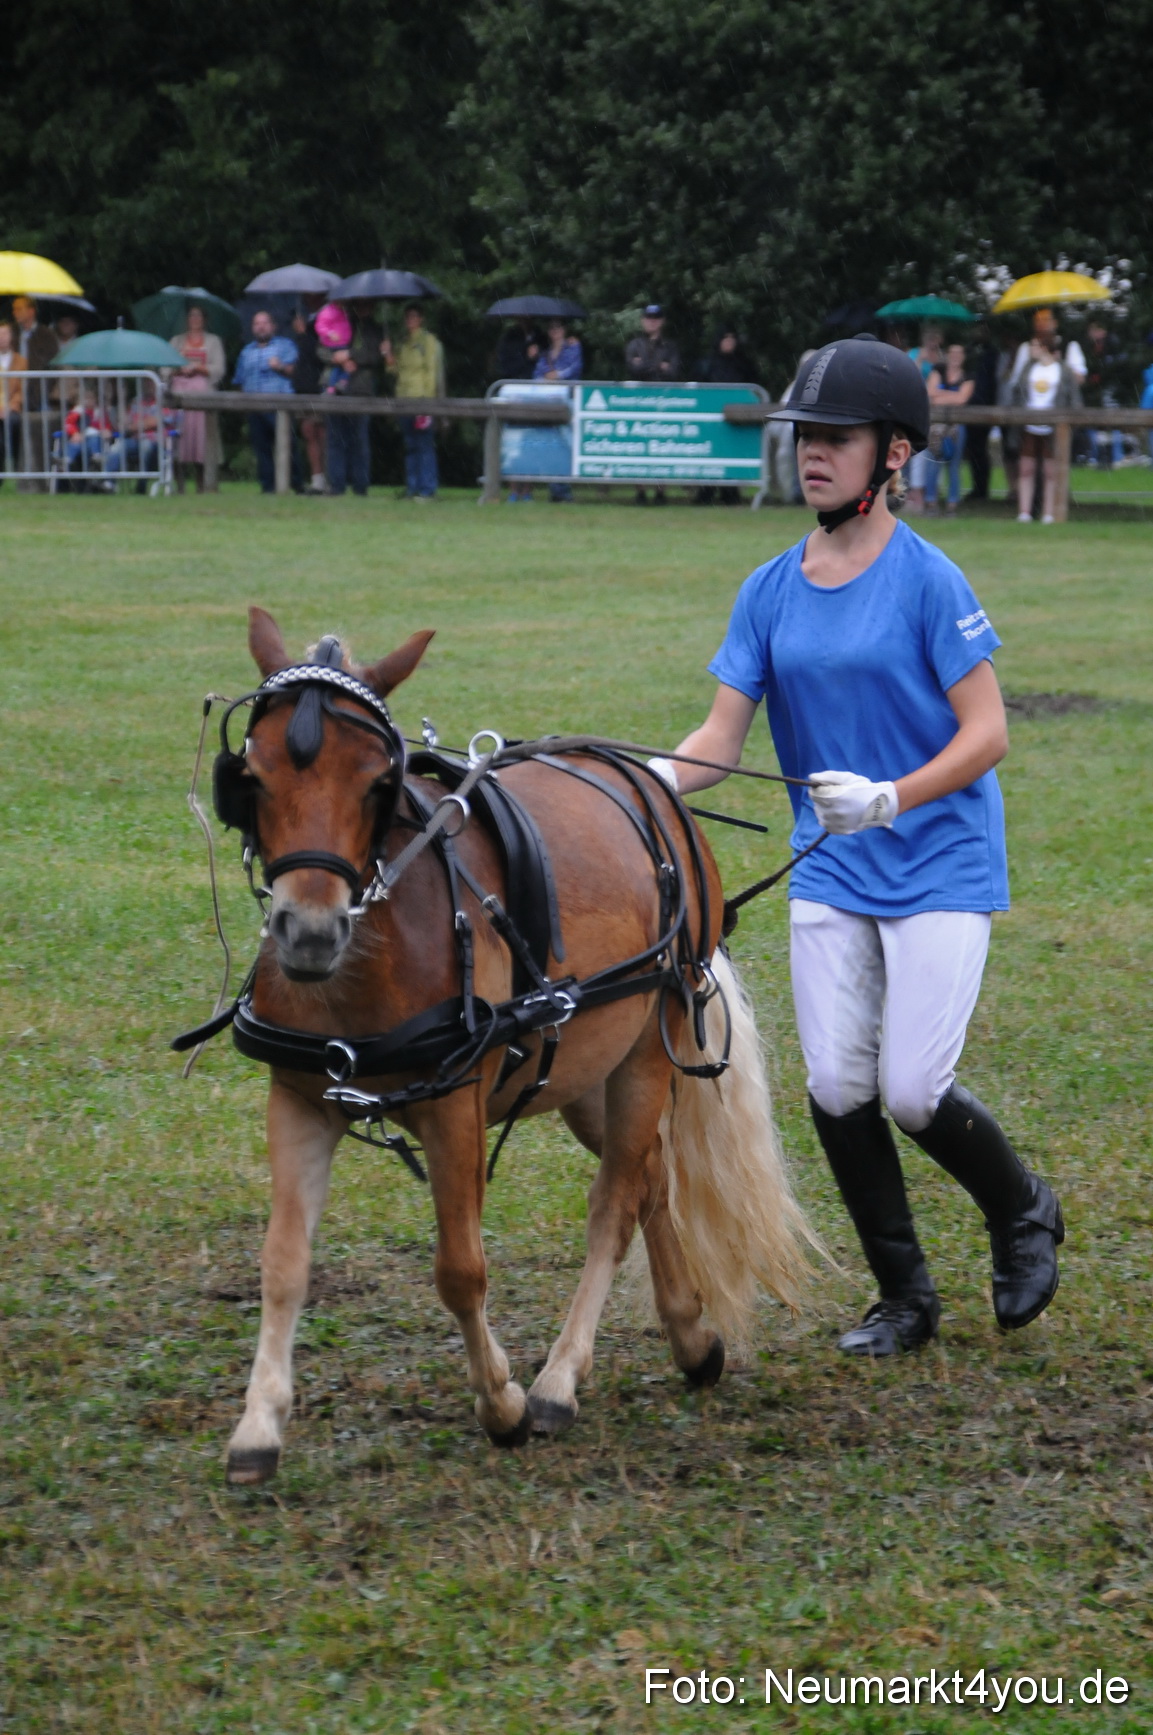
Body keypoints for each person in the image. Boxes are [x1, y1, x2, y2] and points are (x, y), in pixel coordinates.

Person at [647, 335, 1063, 1357]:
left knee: (912, 1087)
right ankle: (904, 1297)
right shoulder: (768, 588)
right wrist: (640, 779)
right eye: (804, 437)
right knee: (837, 1085)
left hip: (939, 859)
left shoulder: (928, 579)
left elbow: (987, 732)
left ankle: (1022, 1210)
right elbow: (718, 737)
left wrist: (888, 797)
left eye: (836, 437)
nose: (812, 454)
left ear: (893, 454)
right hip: (830, 864)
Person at [1011, 331, 1082, 523]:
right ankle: (1024, 512)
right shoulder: (1028, 368)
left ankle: (1049, 513)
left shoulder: (1063, 370)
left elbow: (1074, 398)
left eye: (1034, 346)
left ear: (1044, 347)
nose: (1030, 350)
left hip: (1054, 428)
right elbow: (1017, 392)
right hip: (1028, 426)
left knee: (1051, 472)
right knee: (1026, 469)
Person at [319, 297, 383, 497]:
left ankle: (360, 486)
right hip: (336, 390)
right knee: (335, 440)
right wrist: (336, 358)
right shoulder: (339, 321)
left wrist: (350, 356)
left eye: (367, 304)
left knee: (359, 441)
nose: (363, 308)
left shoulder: (376, 329)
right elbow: (322, 348)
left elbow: (374, 355)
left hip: (361, 391)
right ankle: (336, 485)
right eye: (360, 304)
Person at [383, 303, 445, 501]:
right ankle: (412, 487)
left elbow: (432, 373)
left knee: (424, 444)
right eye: (407, 317)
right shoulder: (403, 343)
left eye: (413, 317)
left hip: (422, 399)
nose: (409, 321)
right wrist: (388, 356)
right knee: (410, 445)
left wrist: (428, 403)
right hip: (404, 398)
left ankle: (427, 488)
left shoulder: (429, 342)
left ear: (421, 319)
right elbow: (395, 370)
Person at [233, 310, 299, 493]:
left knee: (288, 446)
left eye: (264, 323)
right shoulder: (246, 352)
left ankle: (296, 483)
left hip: (280, 406)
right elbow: (239, 379)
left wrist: (280, 366)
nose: (261, 327)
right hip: (254, 406)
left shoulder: (285, 346)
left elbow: (294, 371)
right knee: (261, 448)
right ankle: (268, 486)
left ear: (273, 326)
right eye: (256, 323)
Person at [625, 304, 681, 504]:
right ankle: (640, 491)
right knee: (638, 446)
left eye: (656, 318)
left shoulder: (670, 345)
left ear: (662, 321)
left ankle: (660, 492)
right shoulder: (635, 344)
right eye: (649, 317)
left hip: (664, 402)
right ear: (643, 320)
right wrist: (659, 365)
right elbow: (633, 368)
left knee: (663, 446)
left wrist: (647, 364)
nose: (652, 321)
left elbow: (674, 372)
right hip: (639, 401)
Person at [697, 327, 756, 504]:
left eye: (732, 338)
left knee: (731, 452)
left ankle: (730, 493)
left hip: (734, 419)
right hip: (711, 418)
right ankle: (705, 493)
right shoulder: (708, 363)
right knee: (710, 454)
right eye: (725, 338)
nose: (729, 342)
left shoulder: (742, 364)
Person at [171, 304, 225, 493]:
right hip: (180, 398)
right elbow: (165, 368)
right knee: (180, 440)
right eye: (192, 315)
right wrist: (179, 367)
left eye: (198, 315)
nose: (195, 319)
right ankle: (180, 485)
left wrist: (198, 368)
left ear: (204, 319)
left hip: (204, 398)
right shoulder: (176, 341)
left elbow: (219, 369)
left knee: (202, 441)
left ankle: (203, 483)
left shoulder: (213, 341)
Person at [532, 318, 583, 501]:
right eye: (551, 328)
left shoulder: (573, 347)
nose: (555, 331)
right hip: (547, 402)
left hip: (566, 402)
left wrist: (557, 376)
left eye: (558, 327)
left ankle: (563, 488)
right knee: (550, 445)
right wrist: (546, 379)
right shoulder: (545, 353)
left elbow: (576, 369)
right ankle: (555, 488)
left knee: (566, 444)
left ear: (564, 330)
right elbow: (536, 375)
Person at [11, 295, 58, 491]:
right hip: (15, 393)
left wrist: (41, 393)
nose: (15, 313)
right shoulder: (11, 334)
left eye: (20, 308)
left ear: (31, 311)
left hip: (39, 395)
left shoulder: (46, 335)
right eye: (14, 309)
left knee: (38, 432)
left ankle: (38, 480)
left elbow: (51, 367)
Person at [925, 342, 974, 515]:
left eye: (959, 353)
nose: (955, 356)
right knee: (933, 463)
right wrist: (953, 396)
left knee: (954, 465)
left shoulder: (968, 376)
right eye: (952, 352)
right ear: (947, 354)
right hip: (936, 427)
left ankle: (952, 503)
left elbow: (962, 399)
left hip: (957, 427)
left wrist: (941, 396)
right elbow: (930, 394)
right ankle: (931, 501)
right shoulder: (937, 370)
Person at [903, 323, 944, 515]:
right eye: (929, 338)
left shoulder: (942, 358)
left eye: (935, 338)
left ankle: (928, 493)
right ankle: (911, 493)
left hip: (934, 409)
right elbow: (908, 376)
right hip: (913, 406)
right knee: (912, 450)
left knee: (931, 451)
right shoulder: (914, 354)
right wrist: (920, 359)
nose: (932, 342)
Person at [290, 295, 328, 493]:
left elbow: (319, 353)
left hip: (319, 384)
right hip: (303, 386)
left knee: (320, 432)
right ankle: (317, 478)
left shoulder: (326, 320)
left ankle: (326, 478)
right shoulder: (306, 319)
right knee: (308, 432)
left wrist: (303, 334)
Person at [1082, 320, 1127, 468]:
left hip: (1110, 389)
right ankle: (1100, 456)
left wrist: (1101, 377)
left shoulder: (1110, 344)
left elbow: (1112, 367)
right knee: (1103, 424)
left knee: (1112, 422)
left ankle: (1115, 456)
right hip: (1102, 390)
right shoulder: (1096, 347)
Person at [963, 324, 998, 500]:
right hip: (969, 405)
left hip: (985, 405)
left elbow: (991, 382)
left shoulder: (992, 353)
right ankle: (977, 488)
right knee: (973, 449)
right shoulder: (969, 351)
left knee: (980, 449)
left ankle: (982, 488)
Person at [0, 318, 27, 481]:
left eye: (4, 333)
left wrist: (10, 406)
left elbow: (21, 389)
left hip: (11, 407)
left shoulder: (21, 361)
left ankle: (15, 464)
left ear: (11, 336)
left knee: (13, 422)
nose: (1, 337)